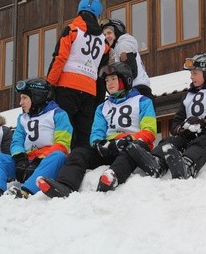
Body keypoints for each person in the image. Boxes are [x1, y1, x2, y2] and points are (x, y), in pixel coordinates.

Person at [36, 62, 157, 197]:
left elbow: (150, 131)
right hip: (110, 148)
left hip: (134, 148)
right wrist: (99, 143)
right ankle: (65, 185)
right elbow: (96, 132)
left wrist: (128, 139)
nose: (109, 83)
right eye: (106, 80)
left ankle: (112, 177)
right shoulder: (102, 107)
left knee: (132, 149)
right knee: (79, 152)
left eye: (113, 79)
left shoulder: (143, 101)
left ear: (125, 79)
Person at [132, 53, 206, 179]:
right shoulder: (188, 95)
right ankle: (157, 162)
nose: (191, 77)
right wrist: (182, 129)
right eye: (191, 73)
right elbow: (176, 122)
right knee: (169, 141)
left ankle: (188, 165)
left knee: (201, 142)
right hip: (192, 134)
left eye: (195, 73)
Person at [0, 77, 73, 200]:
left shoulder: (58, 114)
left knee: (59, 155)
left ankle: (27, 191)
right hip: (27, 161)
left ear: (37, 96)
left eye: (24, 98)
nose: (21, 102)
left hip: (47, 161)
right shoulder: (22, 118)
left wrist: (39, 159)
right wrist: (20, 158)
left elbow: (62, 143)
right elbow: (17, 140)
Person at [46, 0, 110, 149]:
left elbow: (59, 58)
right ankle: (82, 166)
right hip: (89, 91)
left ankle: (62, 165)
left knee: (64, 130)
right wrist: (99, 99)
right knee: (84, 134)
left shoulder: (72, 30)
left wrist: (50, 84)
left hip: (66, 88)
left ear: (79, 11)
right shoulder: (104, 42)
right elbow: (101, 72)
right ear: (98, 15)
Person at [99, 18, 155, 107]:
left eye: (109, 33)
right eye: (104, 34)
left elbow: (131, 71)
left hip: (137, 92)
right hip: (140, 91)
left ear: (117, 32)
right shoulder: (121, 46)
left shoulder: (123, 45)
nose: (106, 37)